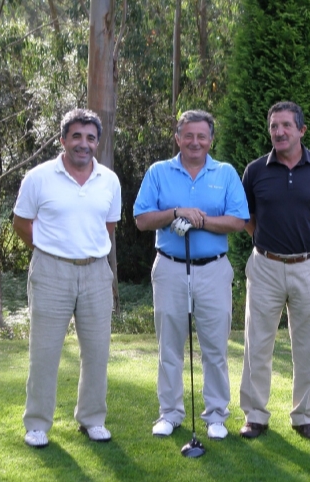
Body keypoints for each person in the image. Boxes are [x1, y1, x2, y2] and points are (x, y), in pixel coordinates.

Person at [133, 110, 249, 441]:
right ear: (178, 138)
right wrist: (175, 213)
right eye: (188, 135)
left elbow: (239, 221)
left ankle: (216, 415)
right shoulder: (158, 172)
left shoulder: (225, 173)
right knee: (169, 345)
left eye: (202, 136)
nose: (195, 142)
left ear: (211, 140)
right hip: (170, 267)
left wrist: (199, 220)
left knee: (215, 347)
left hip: (213, 268)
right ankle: (169, 413)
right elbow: (141, 219)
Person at [13, 108, 122, 448]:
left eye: (90, 138)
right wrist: (51, 250)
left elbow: (108, 226)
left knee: (97, 352)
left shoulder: (110, 180)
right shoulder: (38, 177)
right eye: (76, 136)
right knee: (44, 352)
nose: (83, 144)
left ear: (98, 143)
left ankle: (92, 419)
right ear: (63, 139)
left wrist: (83, 251)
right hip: (51, 271)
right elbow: (21, 223)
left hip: (95, 272)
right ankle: (37, 424)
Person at [238, 101, 310, 441]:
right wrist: (269, 247)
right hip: (265, 266)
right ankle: (255, 415)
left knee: (308, 345)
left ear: (301, 130)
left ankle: (304, 416)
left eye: (285, 126)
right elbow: (247, 219)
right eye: (273, 126)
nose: (279, 132)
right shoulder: (255, 171)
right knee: (257, 343)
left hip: (308, 266)